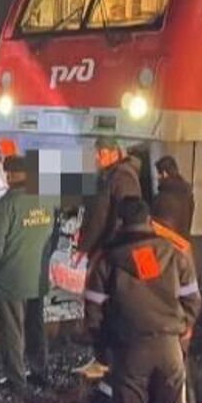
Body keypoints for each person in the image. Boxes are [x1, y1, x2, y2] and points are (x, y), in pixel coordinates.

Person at [83, 197, 202, 403]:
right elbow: (193, 301)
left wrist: (103, 347)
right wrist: (179, 333)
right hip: (169, 348)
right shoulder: (175, 254)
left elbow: (93, 309)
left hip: (128, 350)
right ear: (150, 220)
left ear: (122, 222)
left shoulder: (107, 260)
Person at [0, 155, 59, 393]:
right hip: (36, 277)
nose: (6, 177)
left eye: (9, 173)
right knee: (36, 327)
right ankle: (40, 371)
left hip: (10, 281)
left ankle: (17, 381)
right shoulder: (47, 200)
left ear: (15, 175)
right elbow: (53, 237)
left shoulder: (6, 205)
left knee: (12, 332)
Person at [73, 136, 142, 378]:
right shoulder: (115, 176)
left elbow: (104, 217)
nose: (96, 157)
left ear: (113, 153)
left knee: (103, 306)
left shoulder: (120, 178)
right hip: (107, 250)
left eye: (100, 153)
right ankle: (104, 358)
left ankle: (106, 361)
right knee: (103, 305)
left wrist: (85, 247)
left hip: (109, 252)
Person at [151, 155, 194, 239]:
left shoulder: (161, 199)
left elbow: (155, 227)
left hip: (168, 248)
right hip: (184, 244)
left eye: (159, 174)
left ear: (164, 173)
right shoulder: (188, 195)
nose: (157, 178)